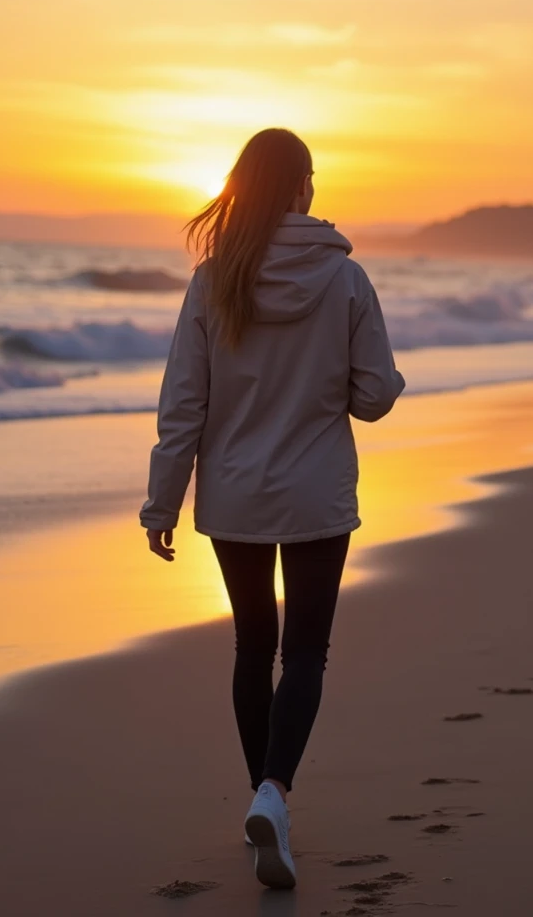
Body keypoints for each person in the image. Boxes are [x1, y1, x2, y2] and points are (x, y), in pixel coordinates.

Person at [139, 128, 405, 890]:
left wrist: (162, 499)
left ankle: (266, 798)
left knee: (253, 649)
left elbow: (184, 403)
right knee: (307, 653)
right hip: (317, 491)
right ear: (296, 188)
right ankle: (274, 794)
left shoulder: (214, 279)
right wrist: (370, 386)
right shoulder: (346, 280)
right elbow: (374, 396)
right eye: (309, 178)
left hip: (234, 495)